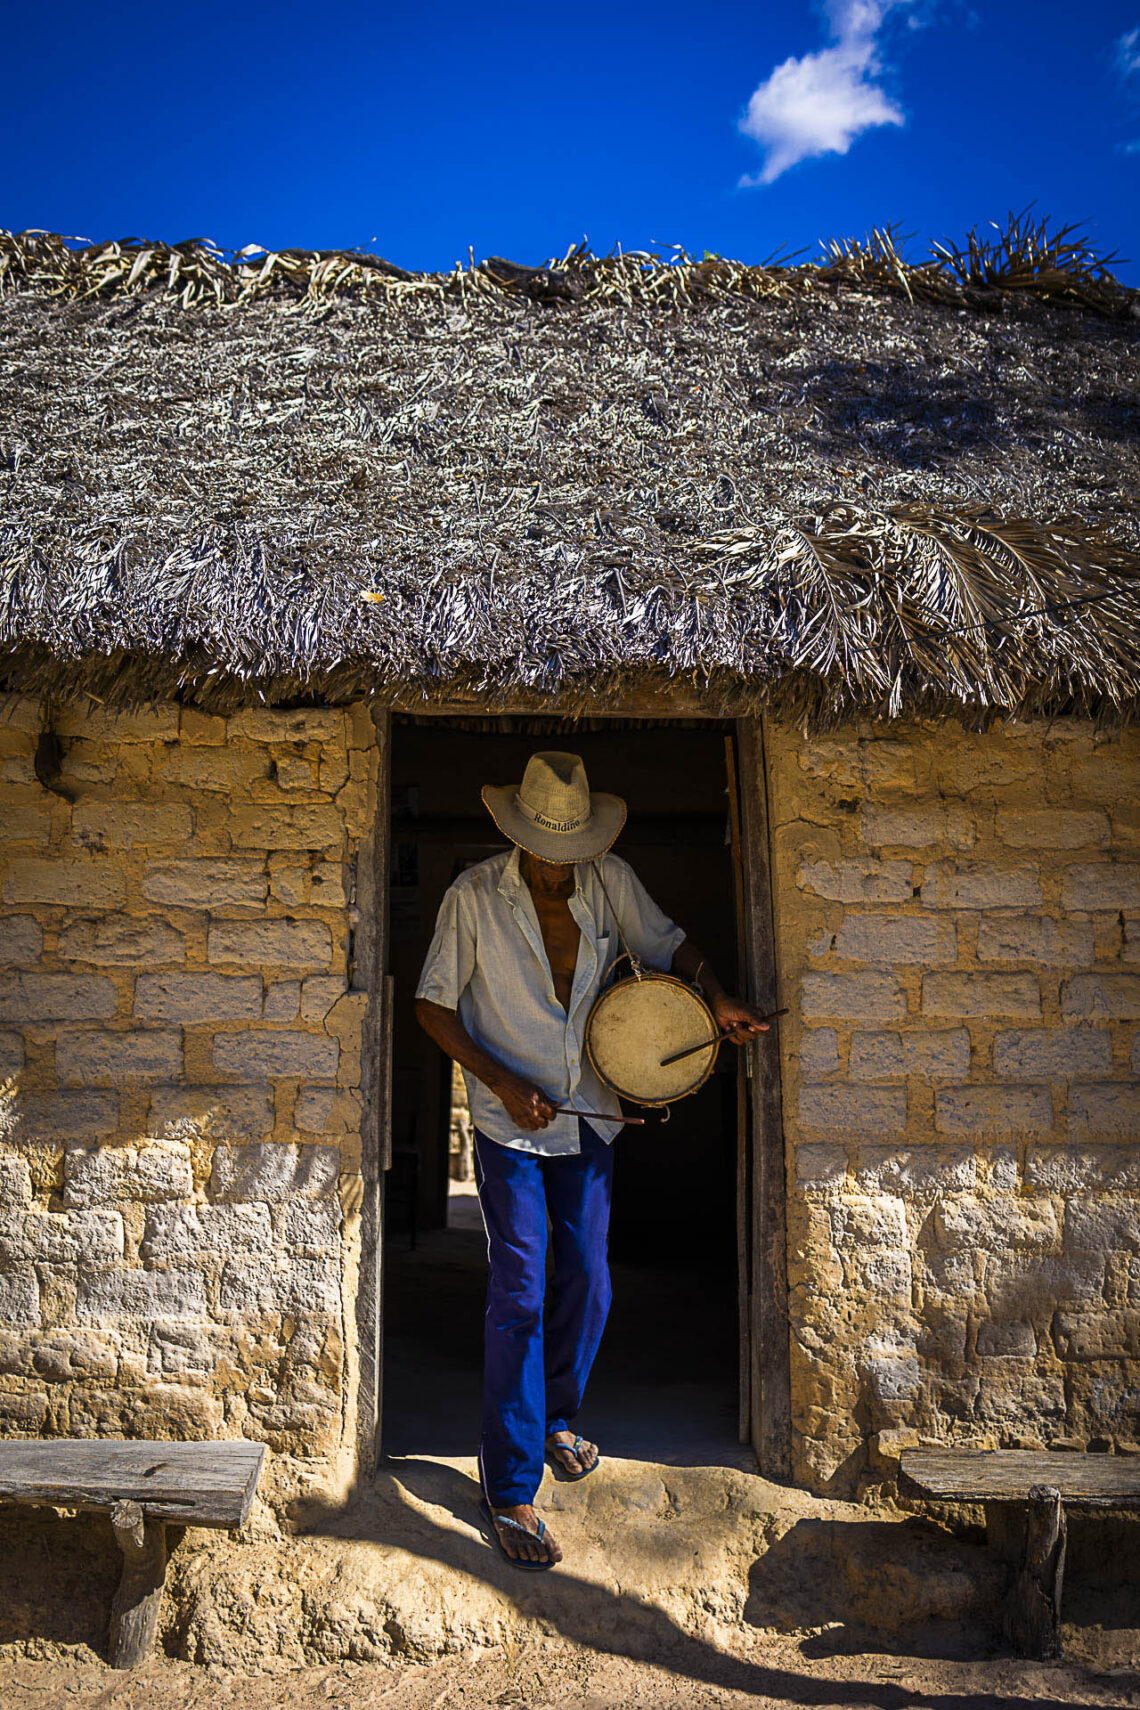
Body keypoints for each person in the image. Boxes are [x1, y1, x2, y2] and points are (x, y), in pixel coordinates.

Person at [414, 751, 768, 1570]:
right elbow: (432, 1005)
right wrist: (502, 1083)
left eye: (571, 851)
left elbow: (670, 944)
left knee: (590, 1281)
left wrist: (714, 995)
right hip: (511, 1131)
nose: (560, 865)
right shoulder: (473, 897)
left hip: (591, 1118)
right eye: (548, 849)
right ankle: (507, 1486)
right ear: (520, 835)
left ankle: (555, 1419)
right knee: (520, 1291)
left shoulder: (607, 880)